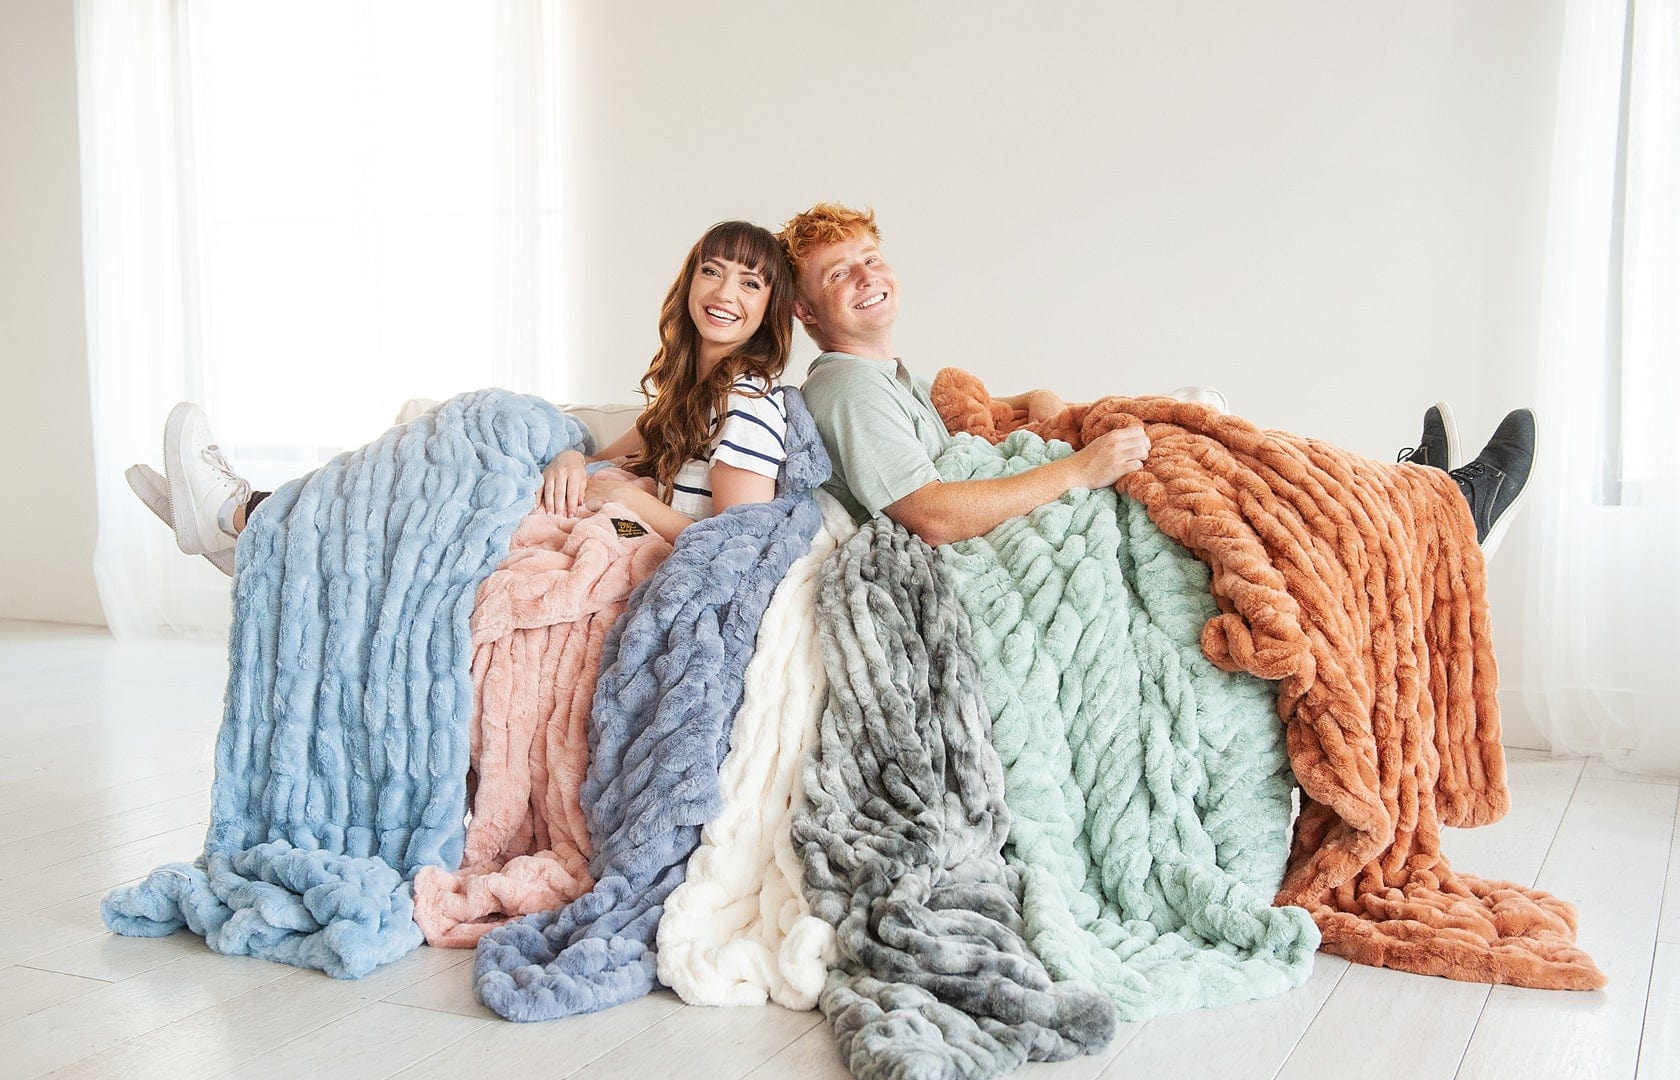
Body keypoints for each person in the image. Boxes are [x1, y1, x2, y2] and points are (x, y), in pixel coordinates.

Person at [776, 202, 1536, 553]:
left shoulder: (884, 374)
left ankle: (1417, 502)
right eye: (839, 273)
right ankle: (1445, 509)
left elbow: (952, 433)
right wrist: (1078, 469)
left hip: (1019, 491)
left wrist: (1025, 404)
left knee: (1205, 436)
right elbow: (931, 513)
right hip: (990, 549)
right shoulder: (843, 388)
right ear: (808, 312)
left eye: (871, 257)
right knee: (1199, 449)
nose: (866, 276)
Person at [128, 219, 797, 566]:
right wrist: (574, 462)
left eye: (749, 282)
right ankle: (252, 524)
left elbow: (733, 544)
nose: (725, 293)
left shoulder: (751, 402)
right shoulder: (693, 394)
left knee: (459, 501)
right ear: (689, 285)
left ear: (771, 308)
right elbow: (609, 454)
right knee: (452, 474)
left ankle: (243, 520)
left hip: (638, 543)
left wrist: (626, 498)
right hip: (621, 521)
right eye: (712, 272)